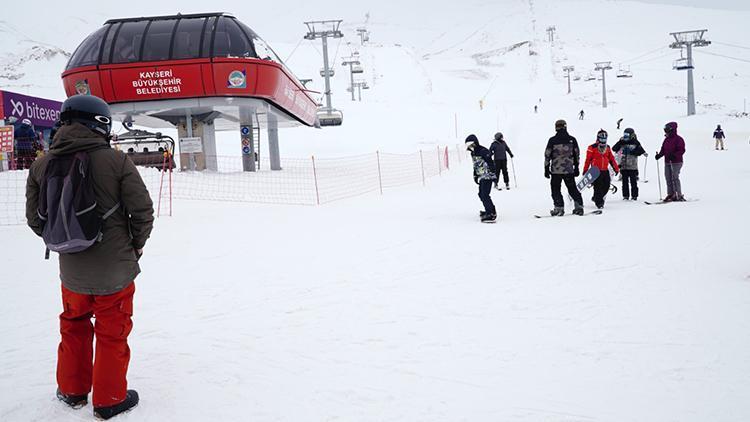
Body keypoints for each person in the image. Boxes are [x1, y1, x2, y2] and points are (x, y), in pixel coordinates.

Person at [25, 95, 154, 420]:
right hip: (114, 271)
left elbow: (35, 218)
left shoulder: (43, 163)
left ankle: (72, 390)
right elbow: (142, 211)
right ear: (100, 123)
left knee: (73, 324)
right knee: (112, 330)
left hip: (71, 272)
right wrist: (135, 246)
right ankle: (110, 399)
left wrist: (64, 242)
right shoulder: (116, 161)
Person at [545, 119, 584, 216]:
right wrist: (577, 167)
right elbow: (576, 154)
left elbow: (547, 155)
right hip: (569, 169)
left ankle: (559, 208)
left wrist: (546, 168)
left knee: (555, 189)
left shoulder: (552, 140)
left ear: (556, 128)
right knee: (572, 188)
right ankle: (579, 207)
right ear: (565, 127)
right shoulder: (572, 139)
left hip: (556, 170)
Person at [583, 129, 619, 209]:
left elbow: (611, 159)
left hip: (605, 170)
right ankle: (599, 203)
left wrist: (616, 168)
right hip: (596, 171)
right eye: (601, 139)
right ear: (598, 138)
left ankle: (596, 197)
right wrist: (585, 170)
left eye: (604, 139)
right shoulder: (592, 147)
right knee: (598, 186)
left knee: (606, 185)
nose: (603, 141)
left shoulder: (608, 148)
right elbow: (588, 160)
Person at [466, 134, 497, 222]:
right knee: (481, 194)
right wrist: (475, 175)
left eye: (470, 144)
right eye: (468, 145)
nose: (469, 147)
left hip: (487, 175)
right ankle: (489, 210)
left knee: (485, 195)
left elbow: (491, 162)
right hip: (482, 176)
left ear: (475, 143)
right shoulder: (473, 153)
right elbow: (476, 165)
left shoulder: (483, 150)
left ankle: (491, 214)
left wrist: (493, 174)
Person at [612, 128, 647, 200]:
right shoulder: (622, 142)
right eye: (624, 135)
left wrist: (633, 152)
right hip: (623, 166)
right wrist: (620, 142)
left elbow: (641, 151)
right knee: (624, 182)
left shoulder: (635, 142)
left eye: (627, 135)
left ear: (631, 135)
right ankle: (625, 196)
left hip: (632, 166)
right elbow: (614, 148)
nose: (625, 137)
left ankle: (634, 196)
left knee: (633, 182)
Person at [655, 121, 686, 202]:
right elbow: (663, 149)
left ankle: (678, 194)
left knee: (675, 177)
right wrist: (659, 155)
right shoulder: (666, 139)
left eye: (667, 130)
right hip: (667, 161)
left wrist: (674, 155)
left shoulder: (679, 139)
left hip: (676, 162)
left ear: (672, 130)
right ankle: (670, 194)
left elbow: (681, 150)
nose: (666, 132)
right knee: (668, 178)